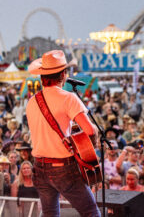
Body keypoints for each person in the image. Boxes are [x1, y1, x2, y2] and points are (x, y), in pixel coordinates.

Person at [26, 50, 100, 216]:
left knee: (50, 214)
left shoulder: (32, 101)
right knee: (91, 212)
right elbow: (89, 130)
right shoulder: (68, 98)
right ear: (64, 75)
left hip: (39, 166)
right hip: (63, 167)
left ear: (42, 76)